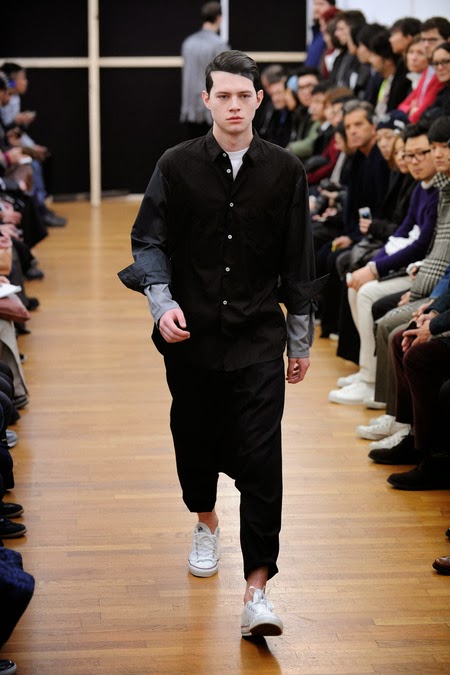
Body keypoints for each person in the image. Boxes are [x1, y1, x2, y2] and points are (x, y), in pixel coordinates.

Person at [118, 50, 325, 638]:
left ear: (259, 99)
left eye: (244, 95)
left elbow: (299, 258)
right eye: (223, 96)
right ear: (206, 99)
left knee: (263, 460)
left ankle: (257, 591)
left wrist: (299, 341)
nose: (234, 105)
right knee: (195, 440)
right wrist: (162, 303)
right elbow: (148, 240)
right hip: (192, 335)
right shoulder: (176, 164)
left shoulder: (286, 170)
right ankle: (206, 522)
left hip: (259, 335)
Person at [179, 2, 229, 140]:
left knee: (193, 148)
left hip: (189, 109)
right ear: (219, 18)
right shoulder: (219, 45)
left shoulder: (188, 43)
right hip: (210, 111)